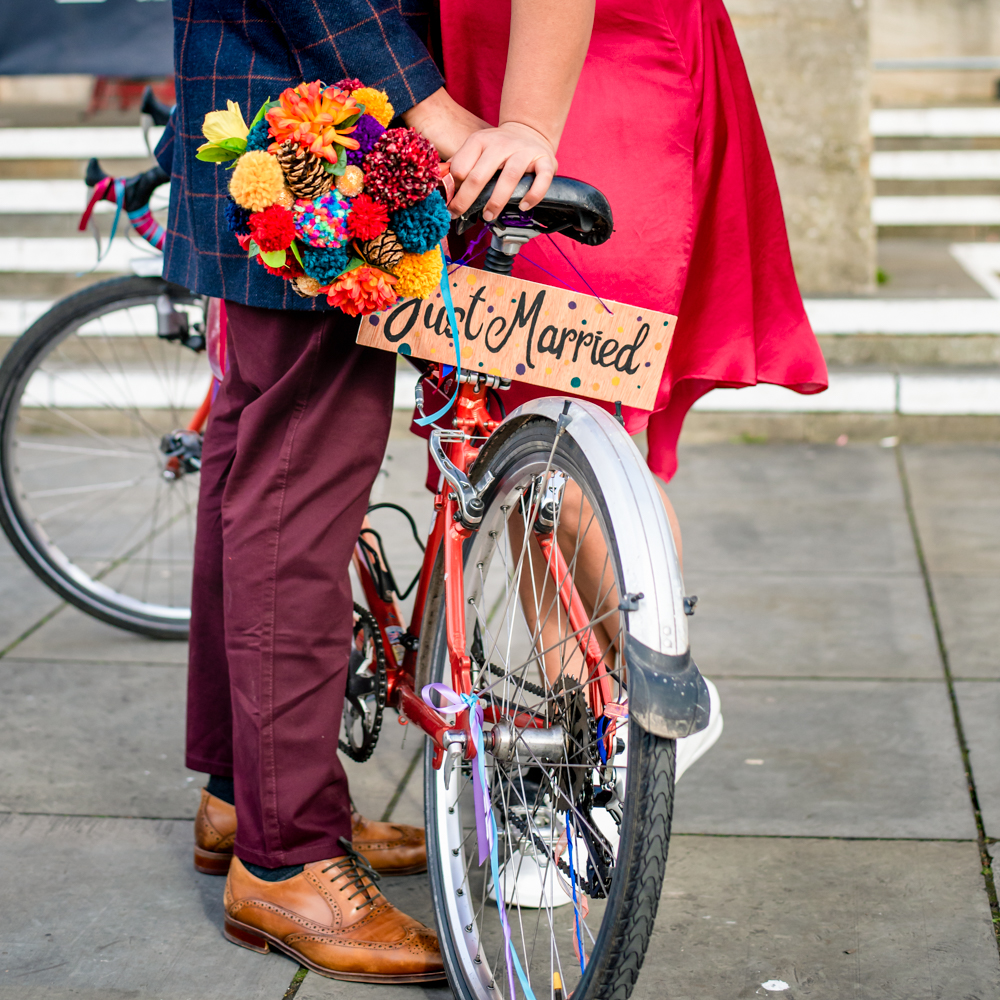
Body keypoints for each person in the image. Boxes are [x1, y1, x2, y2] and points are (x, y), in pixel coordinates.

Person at [157, 0, 596, 982]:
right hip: (310, 114)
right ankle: (287, 860)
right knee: (294, 497)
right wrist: (430, 107)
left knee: (253, 456)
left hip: (268, 84)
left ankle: (247, 796)